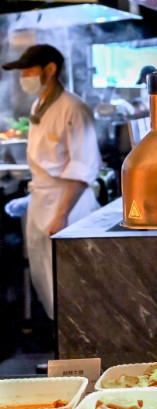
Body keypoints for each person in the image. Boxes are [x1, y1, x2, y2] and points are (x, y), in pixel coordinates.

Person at [2, 44, 101, 320]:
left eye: (29, 70)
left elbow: (83, 168)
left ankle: (79, 354)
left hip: (69, 209)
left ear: (50, 69)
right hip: (42, 204)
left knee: (72, 283)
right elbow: (47, 166)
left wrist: (61, 215)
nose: (24, 77)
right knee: (45, 279)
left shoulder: (74, 108)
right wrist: (31, 199)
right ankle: (62, 352)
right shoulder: (39, 106)